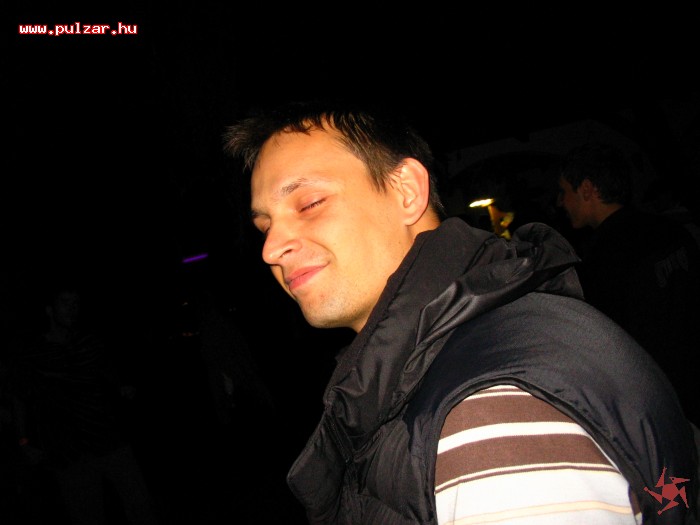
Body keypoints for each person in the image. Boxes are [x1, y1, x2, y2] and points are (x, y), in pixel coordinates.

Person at [223, 100, 698, 525]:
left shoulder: (489, 418)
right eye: (265, 226)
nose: (271, 249)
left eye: (309, 203)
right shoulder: (448, 357)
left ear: (407, 191)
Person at [557, 142, 700, 428]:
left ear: (587, 189)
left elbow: (610, 348)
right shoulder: (673, 231)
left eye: (564, 192)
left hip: (664, 404)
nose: (561, 203)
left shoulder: (602, 258)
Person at [4, 282, 160, 525]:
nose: (72, 308)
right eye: (65, 303)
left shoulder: (88, 341)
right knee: (88, 517)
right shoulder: (33, 353)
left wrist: (120, 384)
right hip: (68, 451)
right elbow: (18, 397)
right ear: (49, 310)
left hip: (108, 438)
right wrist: (23, 441)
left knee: (141, 507)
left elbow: (105, 366)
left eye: (76, 303)